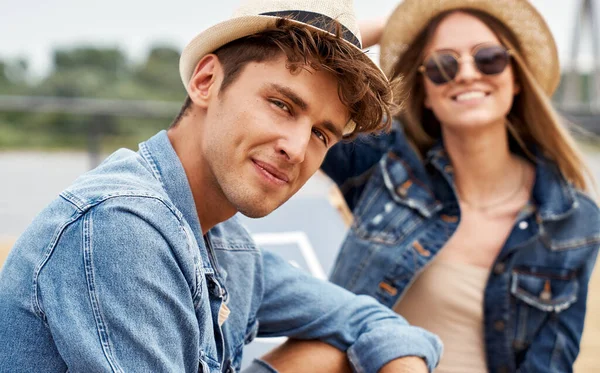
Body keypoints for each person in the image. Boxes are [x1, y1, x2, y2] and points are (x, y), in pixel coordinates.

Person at [0, 1, 444, 372]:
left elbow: (373, 321)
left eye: (321, 134)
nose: (295, 147)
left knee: (329, 353)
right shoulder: (122, 225)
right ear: (206, 81)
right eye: (281, 104)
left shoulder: (228, 245)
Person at [269, 0, 600, 372]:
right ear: (424, 90)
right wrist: (388, 29)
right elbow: (289, 62)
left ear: (516, 76)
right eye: (444, 64)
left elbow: (549, 364)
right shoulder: (386, 163)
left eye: (489, 57)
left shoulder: (571, 219)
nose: (467, 73)